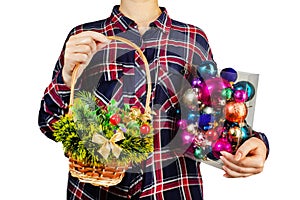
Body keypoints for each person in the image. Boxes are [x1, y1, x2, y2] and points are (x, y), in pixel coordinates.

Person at [38, 0, 269, 199]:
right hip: (93, 192)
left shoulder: (193, 40)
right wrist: (67, 78)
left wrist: (255, 143)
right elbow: (50, 123)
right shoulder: (84, 38)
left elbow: (212, 119)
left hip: (174, 189)